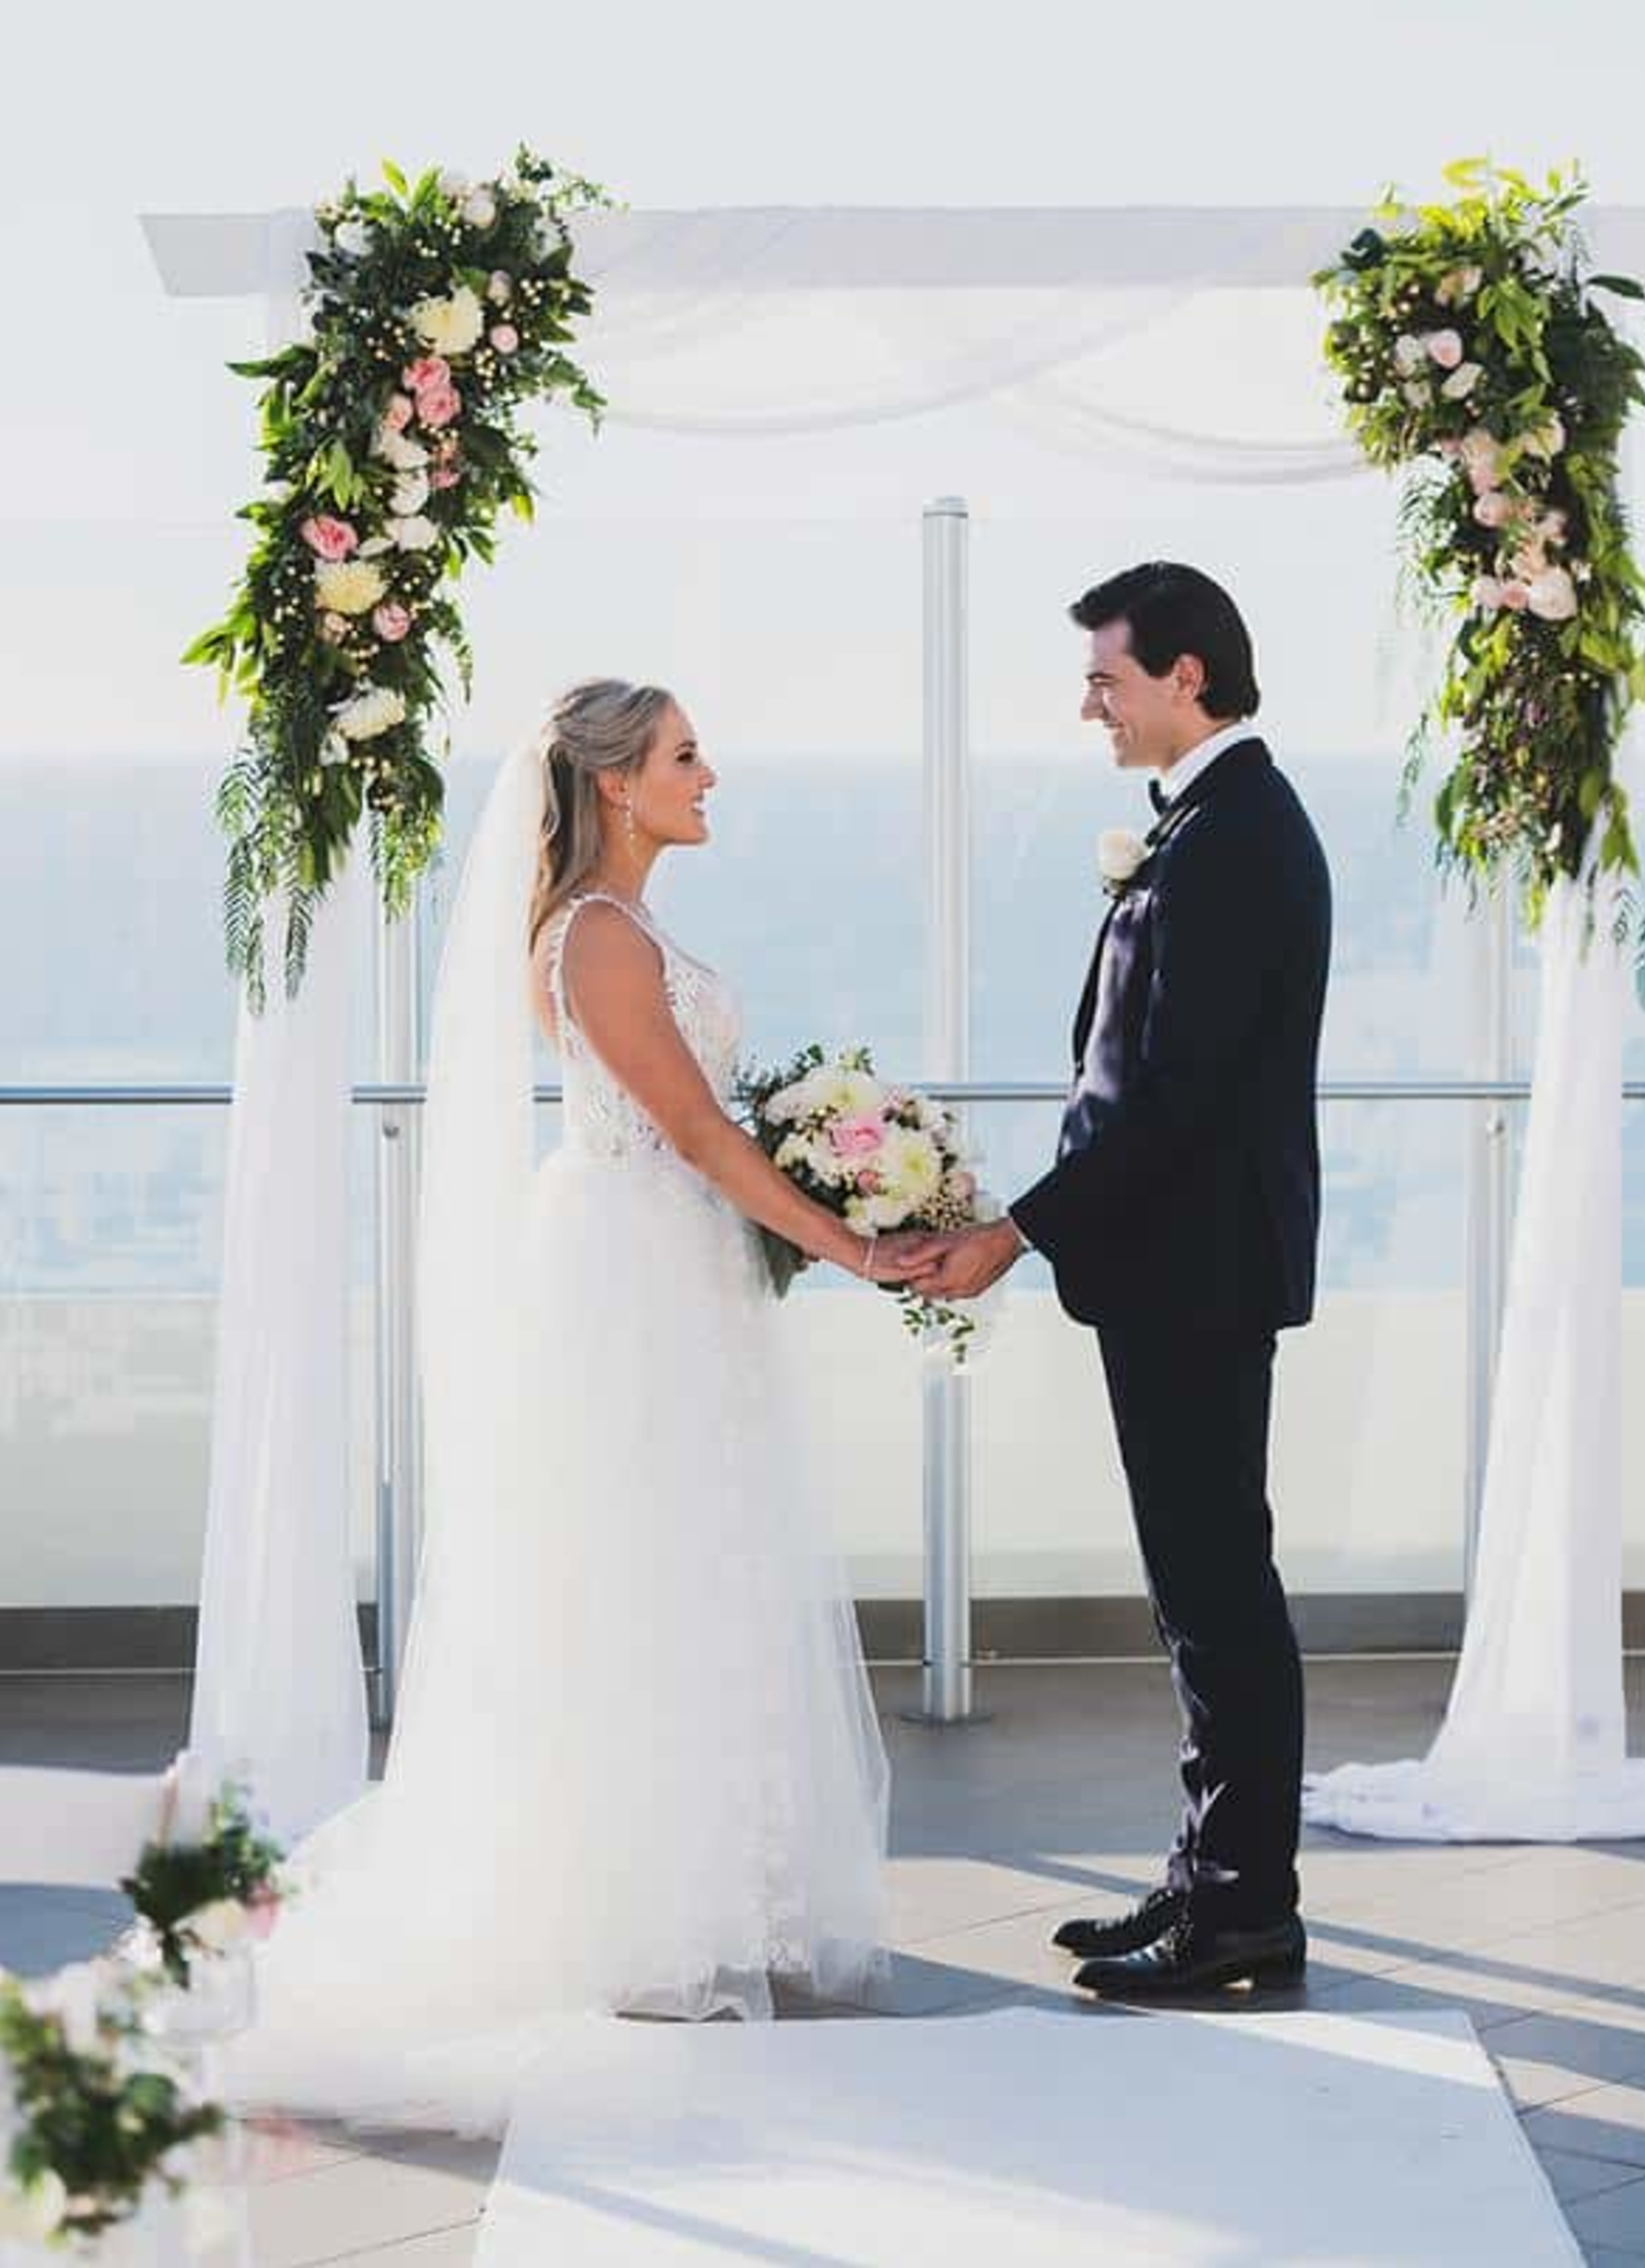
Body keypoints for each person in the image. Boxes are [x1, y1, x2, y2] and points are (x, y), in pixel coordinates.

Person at [223, 678, 934, 2132]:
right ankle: (644, 1912)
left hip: (681, 1276)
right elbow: (689, 1130)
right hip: (633, 1282)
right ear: (616, 783)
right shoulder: (597, 938)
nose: (709, 775)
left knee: (702, 1571)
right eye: (684, 757)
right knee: (641, 1581)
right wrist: (854, 1240)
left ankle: (719, 1887)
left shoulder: (637, 924)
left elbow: (711, 1130)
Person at [908, 563, 1332, 1999]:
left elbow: (1166, 1095)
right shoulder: (1217, 823)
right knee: (1199, 1590)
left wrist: (1016, 1230)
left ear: (1187, 678)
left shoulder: (1230, 839)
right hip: (1182, 1266)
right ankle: (1214, 1878)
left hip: (1197, 1272)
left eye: (1107, 676)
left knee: (1216, 1592)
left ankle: (1242, 1918)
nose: (1089, 702)